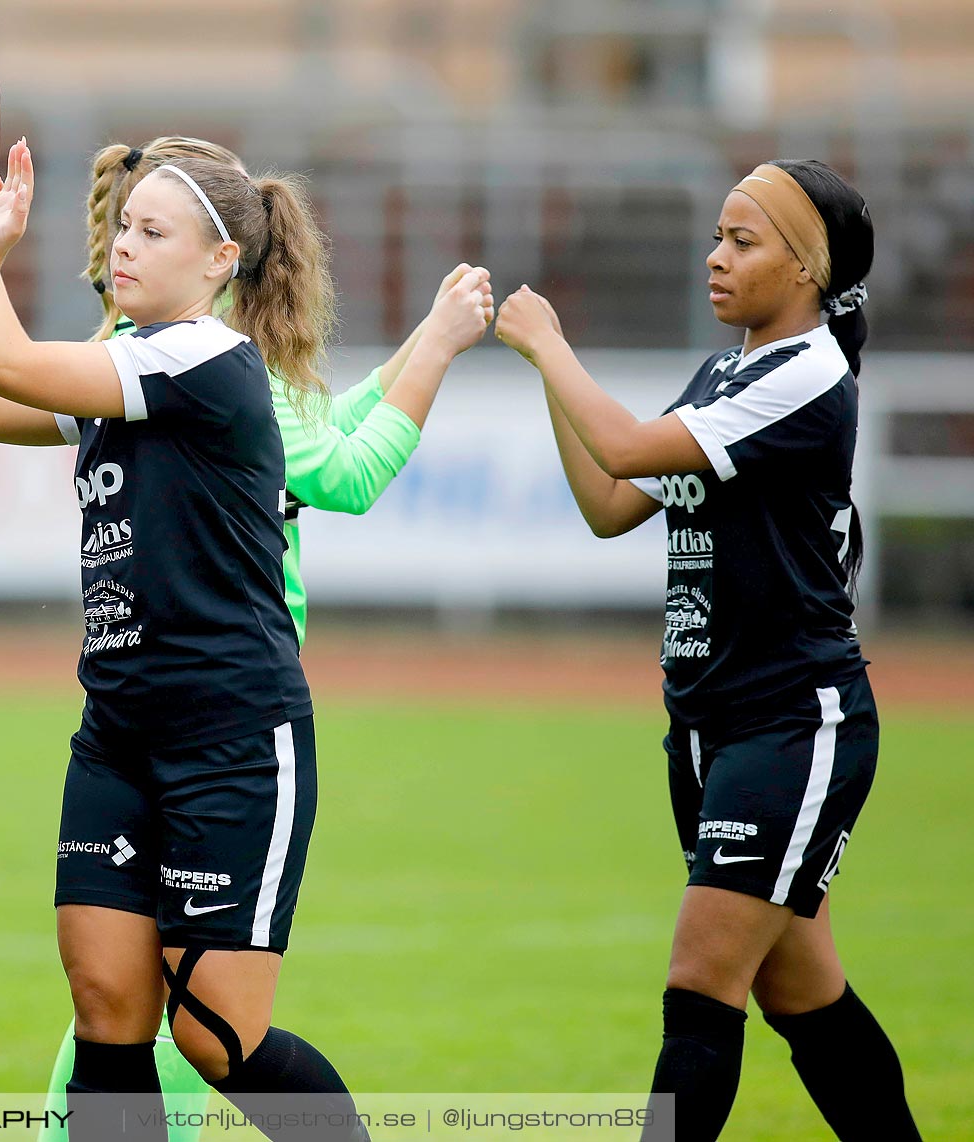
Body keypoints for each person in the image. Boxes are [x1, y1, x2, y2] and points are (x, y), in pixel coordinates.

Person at [0, 87, 492, 1140]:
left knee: (215, 1037)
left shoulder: (198, 358)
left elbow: (1, 360)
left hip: (230, 730)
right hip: (117, 730)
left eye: (152, 231)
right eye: (123, 227)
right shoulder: (129, 365)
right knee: (108, 1010)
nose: (123, 247)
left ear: (220, 260)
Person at [494, 160, 919, 1142]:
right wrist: (548, 375)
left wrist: (550, 346)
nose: (716, 258)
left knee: (700, 979)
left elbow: (633, 451)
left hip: (792, 720)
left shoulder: (808, 370)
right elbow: (612, 503)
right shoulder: (732, 366)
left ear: (807, 268)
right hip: (706, 722)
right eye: (717, 236)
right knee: (800, 987)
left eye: (743, 240)